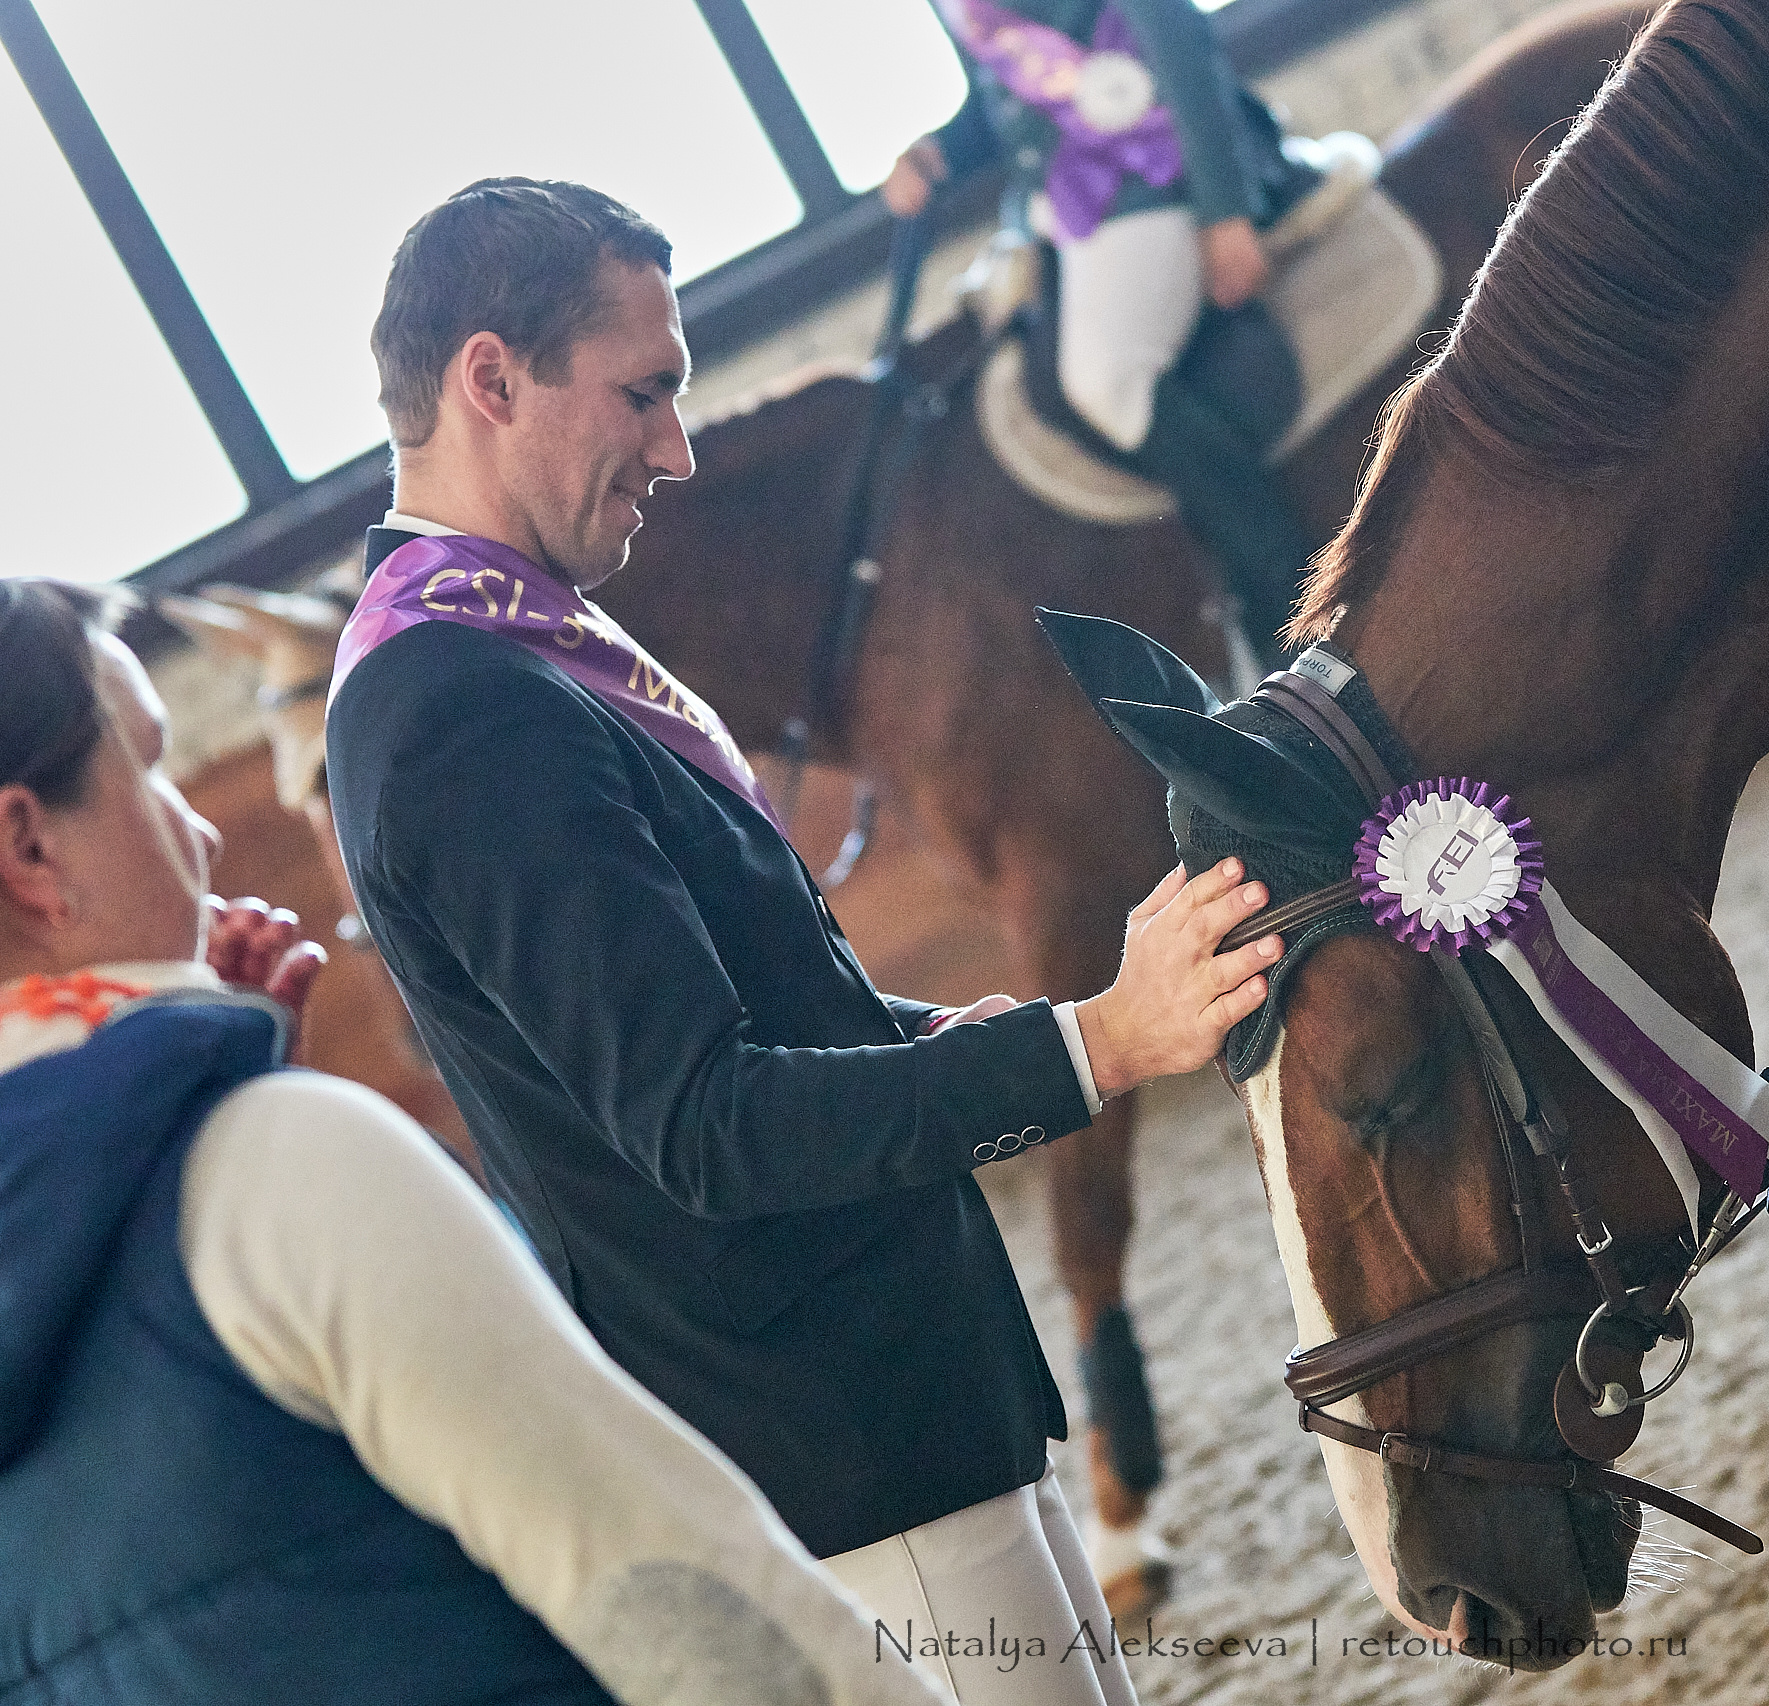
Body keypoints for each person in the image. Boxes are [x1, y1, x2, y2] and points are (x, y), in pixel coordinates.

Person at [326, 178, 1281, 1706]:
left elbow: (746, 1013)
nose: (678, 452)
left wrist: (958, 1036)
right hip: (836, 1442)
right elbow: (705, 1121)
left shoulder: (512, 651)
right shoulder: (457, 706)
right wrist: (1092, 1046)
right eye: (644, 396)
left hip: (904, 1385)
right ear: (490, 379)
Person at [0, 577, 949, 1705]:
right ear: (27, 845)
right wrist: (251, 1144)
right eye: (150, 764)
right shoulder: (279, 1170)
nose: (199, 825)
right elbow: (699, 1614)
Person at [884, 0, 1318, 661]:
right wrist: (939, 152)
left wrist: (1223, 209)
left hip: (1152, 179)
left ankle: (1291, 584)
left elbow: (1174, 42)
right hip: (1058, 208)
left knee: (1107, 379)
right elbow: (1011, 90)